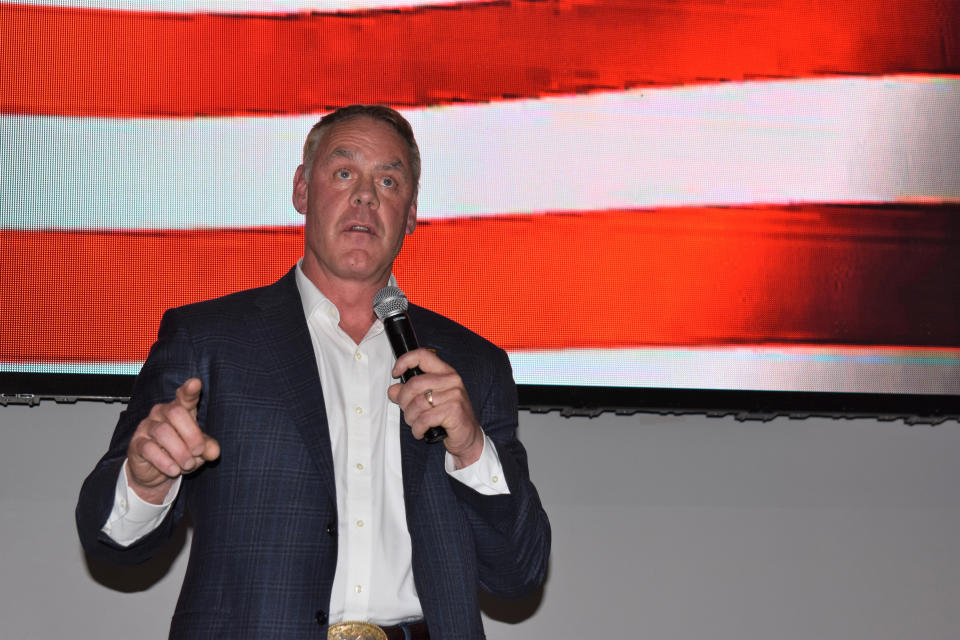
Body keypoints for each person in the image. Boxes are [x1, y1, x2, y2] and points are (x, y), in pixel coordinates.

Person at [76, 105, 551, 639]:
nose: (366, 196)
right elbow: (109, 538)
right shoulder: (208, 341)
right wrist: (145, 480)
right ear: (302, 189)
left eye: (388, 180)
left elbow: (518, 574)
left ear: (411, 212)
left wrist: (470, 451)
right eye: (344, 172)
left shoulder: (472, 366)